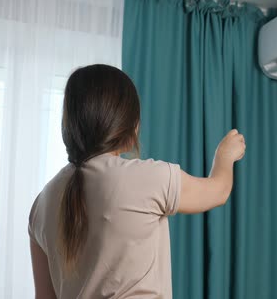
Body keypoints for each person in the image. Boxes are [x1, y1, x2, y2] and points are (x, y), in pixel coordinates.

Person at [28, 64, 245, 299]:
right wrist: (225, 156)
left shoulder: (41, 204)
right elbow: (218, 191)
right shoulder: (149, 178)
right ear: (127, 124)